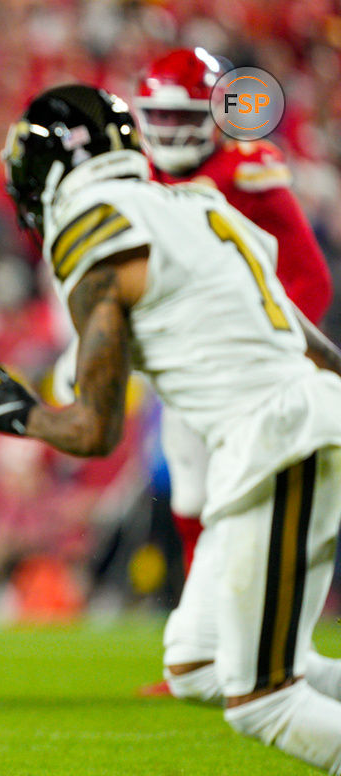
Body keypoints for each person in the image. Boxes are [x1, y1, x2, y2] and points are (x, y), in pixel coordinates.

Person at [0, 84, 341, 776]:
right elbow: (312, 343)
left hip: (276, 435)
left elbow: (93, 429)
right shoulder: (198, 203)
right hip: (296, 423)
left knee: (263, 700)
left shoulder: (93, 226)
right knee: (197, 662)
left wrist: (22, 413)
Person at [132, 48, 335, 698]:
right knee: (192, 501)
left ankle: (231, 648)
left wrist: (268, 344)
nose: (168, 128)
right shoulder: (142, 174)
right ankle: (201, 646)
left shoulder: (244, 169)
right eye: (157, 113)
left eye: (181, 114)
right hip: (187, 363)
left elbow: (309, 273)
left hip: (244, 372)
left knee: (232, 498)